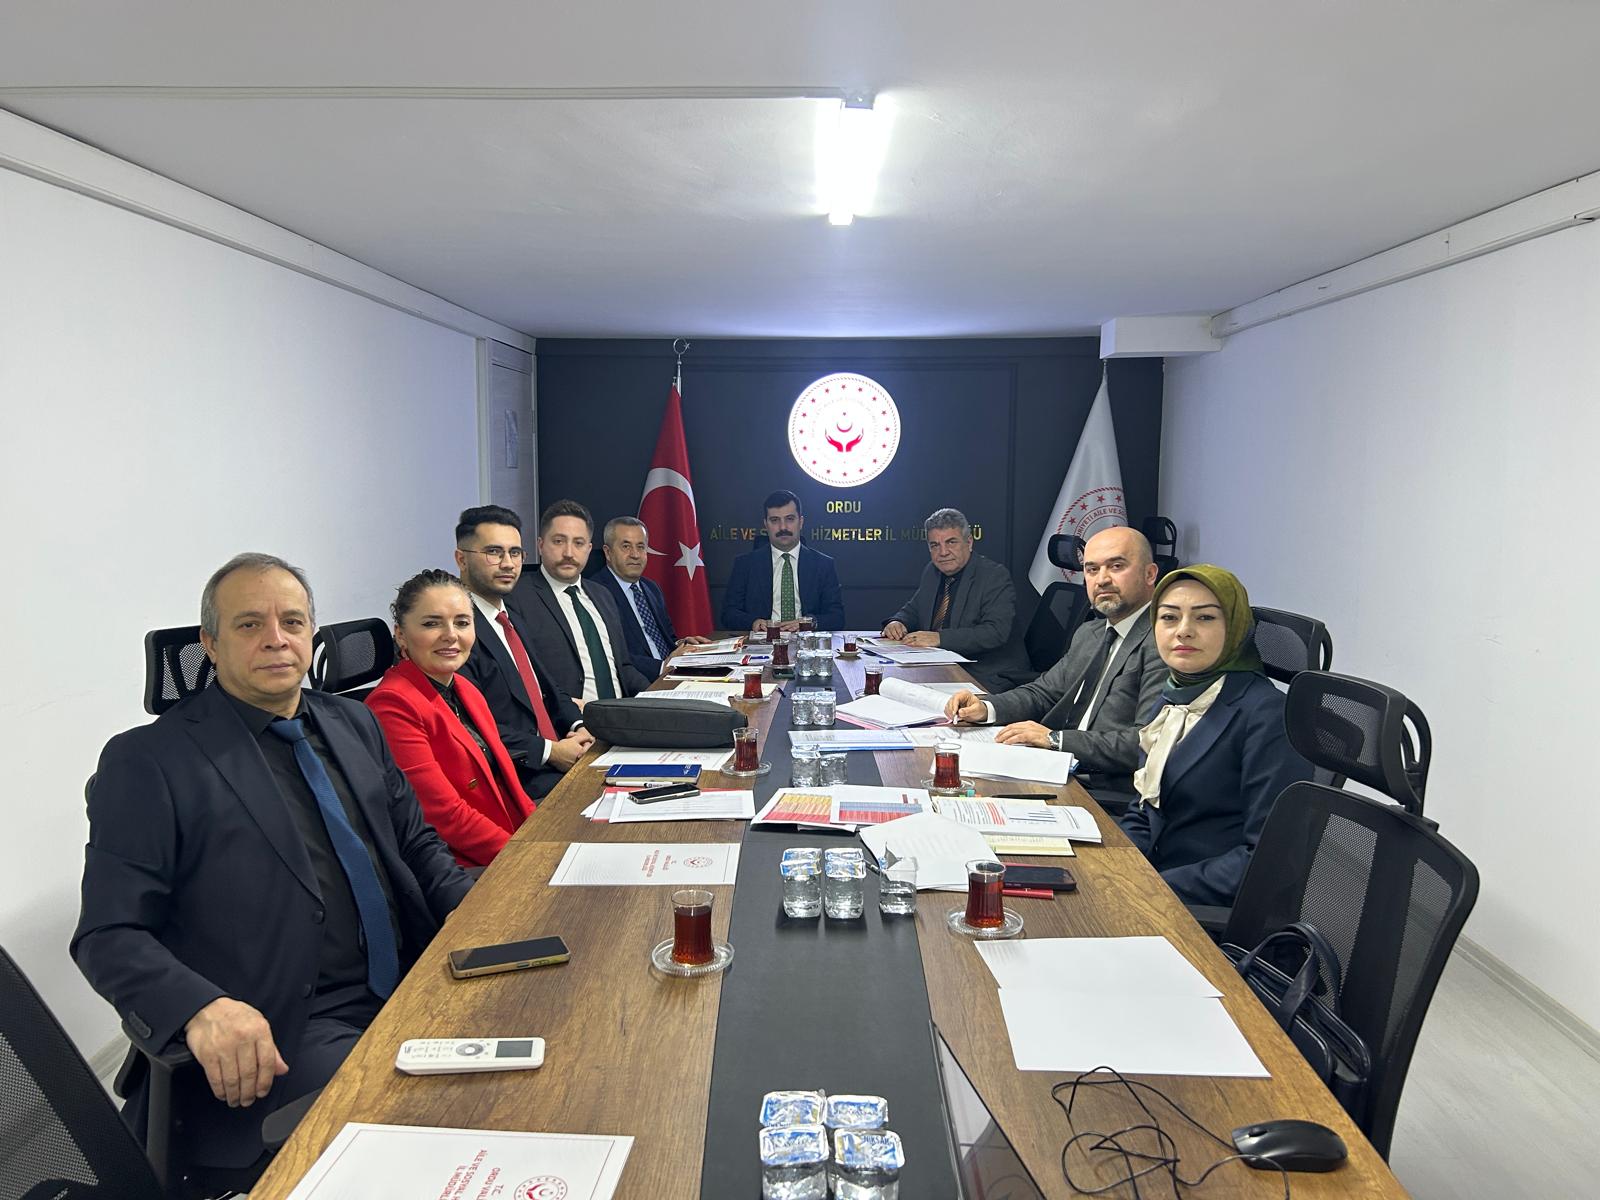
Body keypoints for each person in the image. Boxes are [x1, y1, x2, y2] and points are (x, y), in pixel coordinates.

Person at [72, 554, 473, 1188]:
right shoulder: (148, 761)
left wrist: (475, 910)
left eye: (292, 621)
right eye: (249, 624)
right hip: (287, 1028)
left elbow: (415, 842)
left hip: (414, 979)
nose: (276, 639)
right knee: (442, 1141)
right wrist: (202, 1008)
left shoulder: (352, 721)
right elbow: (108, 933)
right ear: (209, 644)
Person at [1118, 564, 1313, 907]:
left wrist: (1151, 888)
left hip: (1205, 909)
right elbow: (1144, 807)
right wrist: (1114, 867)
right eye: (1169, 617)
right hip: (1152, 884)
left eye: (1205, 618)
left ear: (1235, 628)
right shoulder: (1175, 693)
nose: (1184, 631)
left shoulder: (1269, 715)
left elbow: (1269, 861)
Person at [943, 525, 1166, 801]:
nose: (1102, 579)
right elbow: (1043, 692)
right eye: (1092, 569)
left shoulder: (1165, 643)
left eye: (1116, 566)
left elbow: (1144, 742)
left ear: (1150, 574)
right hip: (1055, 769)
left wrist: (1055, 740)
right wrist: (986, 707)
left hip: (1104, 791)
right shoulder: (1091, 633)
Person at [366, 570, 538, 868]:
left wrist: (544, 837)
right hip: (460, 867)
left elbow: (511, 787)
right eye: (432, 623)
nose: (451, 635)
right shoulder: (391, 705)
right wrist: (525, 860)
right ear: (401, 635)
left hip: (507, 845)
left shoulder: (465, 688)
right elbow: (445, 816)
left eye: (462, 622)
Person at [452, 505, 593, 798]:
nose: (508, 564)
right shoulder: (456, 633)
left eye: (515, 553)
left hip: (561, 760)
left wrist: (579, 725)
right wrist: (550, 751)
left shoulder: (511, 616)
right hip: (522, 781)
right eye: (494, 552)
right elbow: (471, 725)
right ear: (461, 559)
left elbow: (548, 688)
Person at [509, 498, 652, 701]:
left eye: (578, 543)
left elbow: (624, 667)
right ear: (540, 545)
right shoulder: (518, 597)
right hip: (568, 717)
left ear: (588, 548)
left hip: (620, 713)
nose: (569, 553)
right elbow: (524, 679)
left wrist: (657, 697)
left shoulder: (602, 595)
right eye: (558, 541)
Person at [880, 507, 1028, 689]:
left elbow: (995, 632)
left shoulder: (994, 576)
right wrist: (898, 621)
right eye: (935, 545)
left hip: (986, 673)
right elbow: (914, 608)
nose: (943, 552)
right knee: (890, 687)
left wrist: (939, 638)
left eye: (951, 542)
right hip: (938, 667)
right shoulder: (932, 571)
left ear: (969, 542)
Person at [592, 514, 709, 678]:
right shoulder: (595, 592)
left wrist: (682, 644)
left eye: (641, 547)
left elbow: (667, 638)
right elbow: (611, 654)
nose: (635, 554)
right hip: (641, 682)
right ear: (608, 552)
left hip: (674, 672)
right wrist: (662, 667)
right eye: (626, 546)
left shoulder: (651, 588)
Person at [720, 489, 846, 631]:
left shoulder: (823, 564)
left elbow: (837, 617)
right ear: (766, 524)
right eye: (775, 520)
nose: (783, 527)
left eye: (790, 519)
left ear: (801, 522)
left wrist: (808, 622)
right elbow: (728, 614)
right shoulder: (745, 564)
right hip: (763, 639)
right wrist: (753, 622)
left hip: (805, 639)